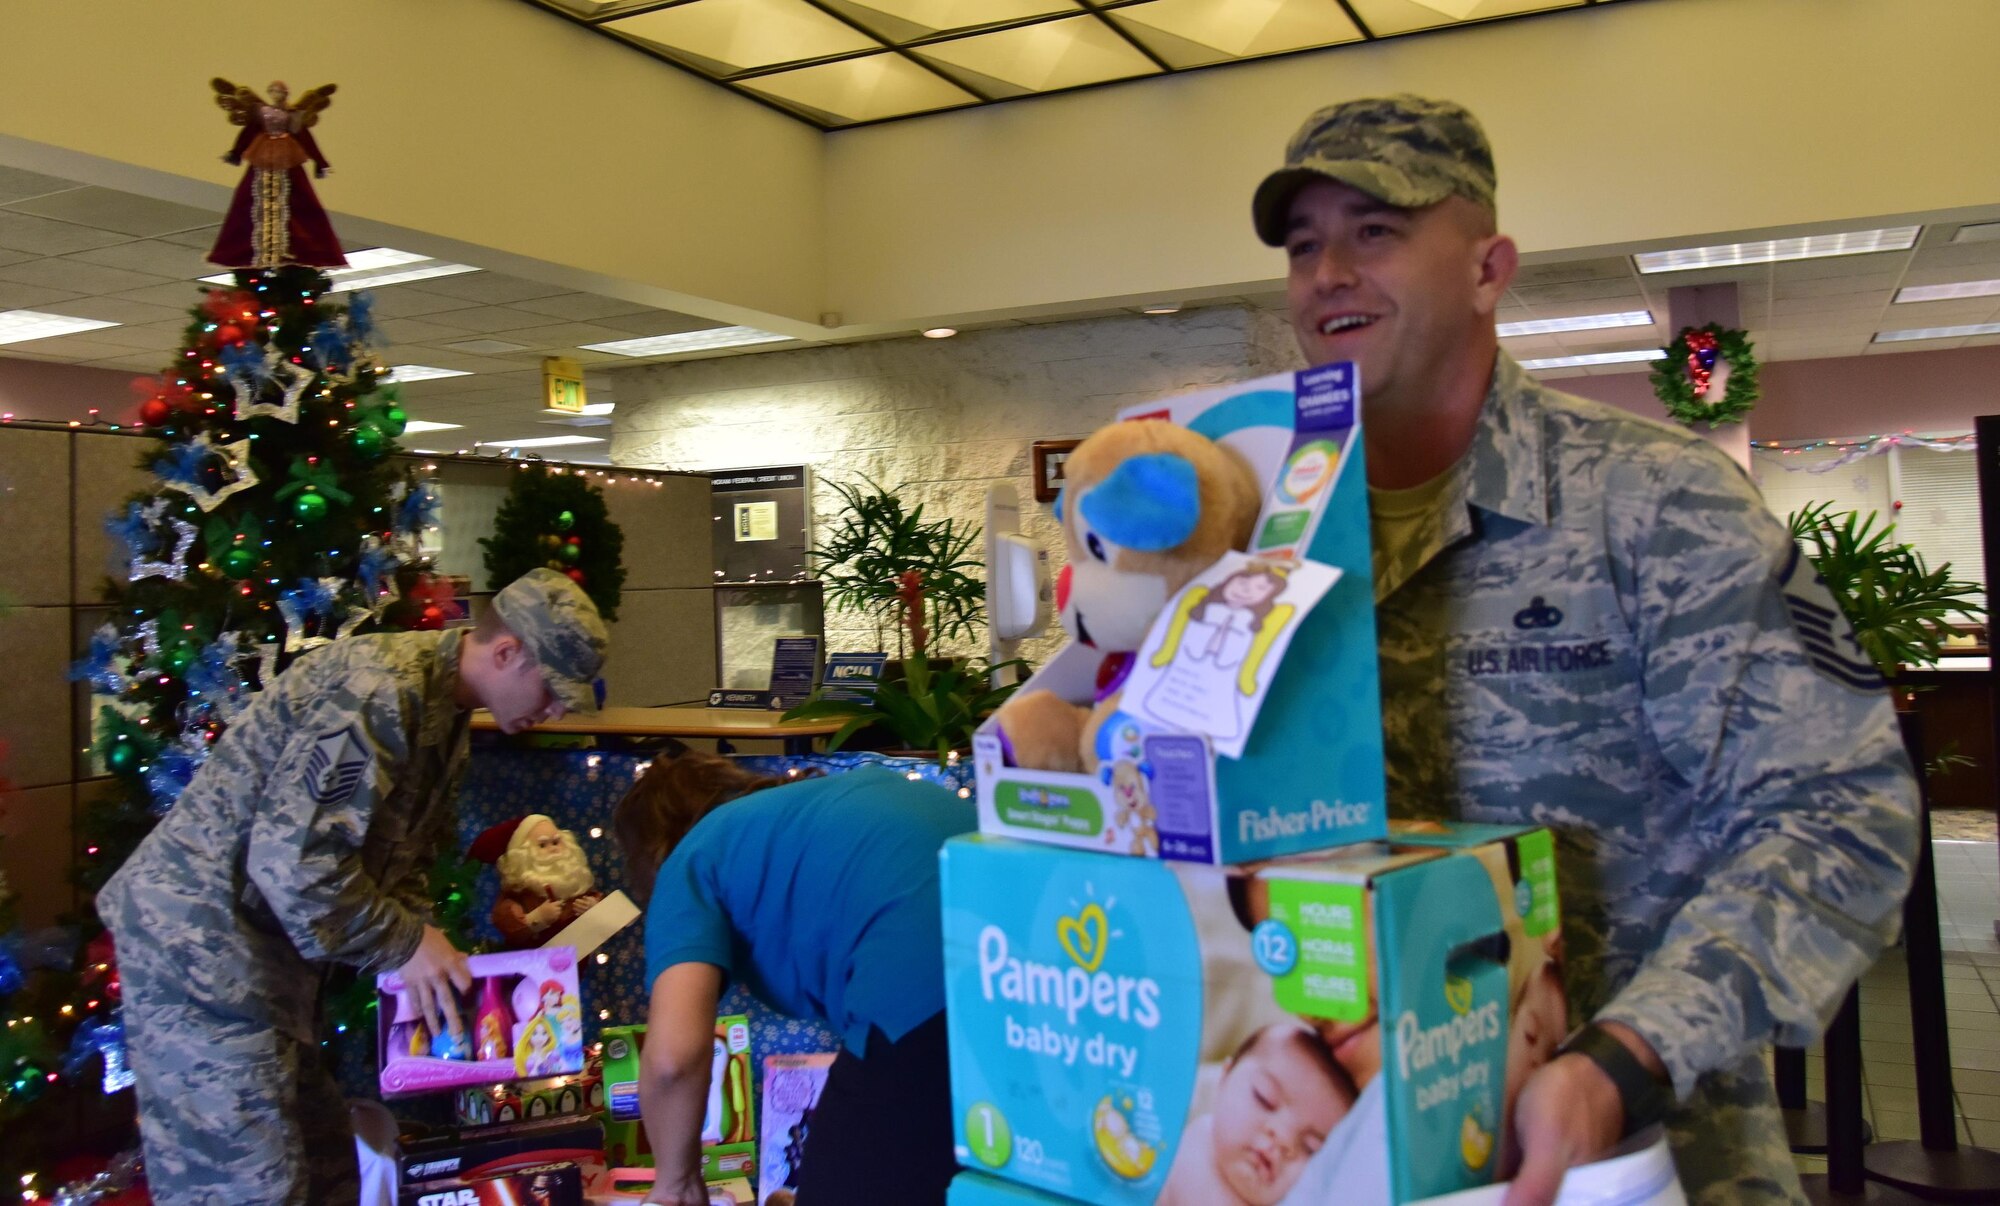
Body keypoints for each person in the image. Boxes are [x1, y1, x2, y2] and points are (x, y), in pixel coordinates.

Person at [1248, 95, 1919, 1203]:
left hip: (1635, 1162)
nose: (1326, 273)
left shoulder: (1655, 503)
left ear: (1486, 266)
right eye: (1303, 244)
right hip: (1351, 1162)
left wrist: (1624, 1060)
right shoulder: (1271, 534)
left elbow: (1839, 812)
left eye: (1373, 232)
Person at [98, 568, 608, 1204]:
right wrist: (403, 944)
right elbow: (294, 864)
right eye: (553, 690)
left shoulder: (440, 706)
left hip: (260, 964)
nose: (555, 709)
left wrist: (430, 957)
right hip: (200, 955)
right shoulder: (380, 689)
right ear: (506, 653)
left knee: (328, 1172)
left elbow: (404, 859)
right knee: (252, 1186)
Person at [612, 753, 974, 1206]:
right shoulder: (810, 808)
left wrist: (675, 1183)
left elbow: (672, 1061)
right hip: (1043, 960)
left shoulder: (691, 859)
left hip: (922, 982)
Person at [1161, 1023, 1356, 1206]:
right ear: (1225, 1076)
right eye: (1264, 1098)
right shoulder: (1182, 1140)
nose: (1282, 1138)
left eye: (1311, 1148)